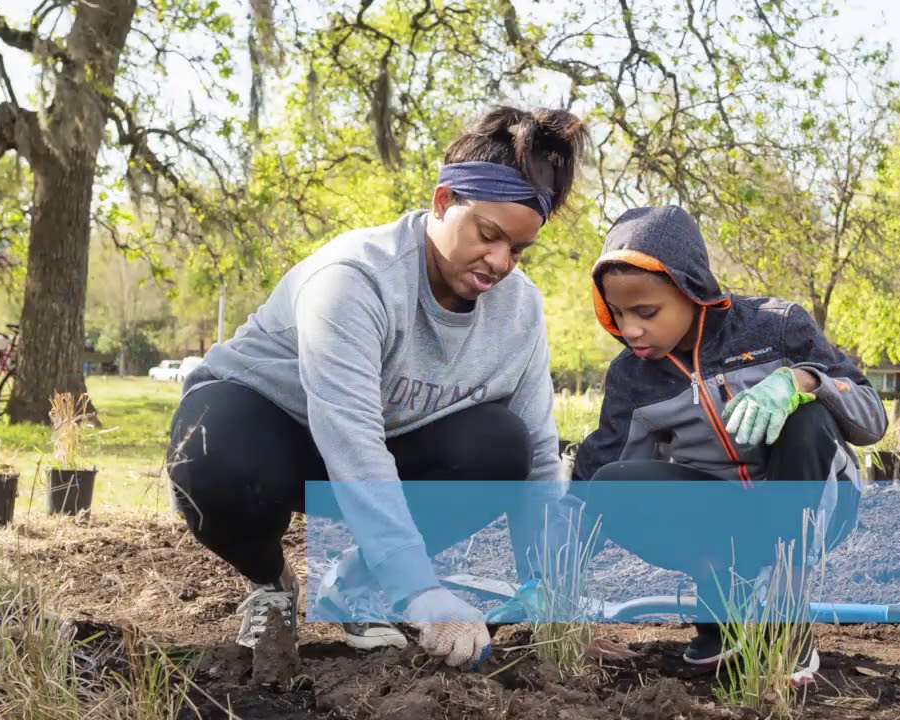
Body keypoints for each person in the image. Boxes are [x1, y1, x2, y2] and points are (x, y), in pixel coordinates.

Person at [166, 105, 589, 669]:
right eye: (489, 235)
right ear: (443, 202)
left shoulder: (519, 310)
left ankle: (357, 584)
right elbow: (352, 437)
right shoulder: (355, 280)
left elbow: (539, 451)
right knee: (211, 452)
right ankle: (272, 583)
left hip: (388, 446)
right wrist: (421, 591)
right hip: (271, 434)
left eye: (518, 249)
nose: (500, 262)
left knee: (501, 442)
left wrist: (549, 583)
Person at [567, 205, 888, 683]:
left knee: (809, 420)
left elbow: (872, 418)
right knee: (611, 484)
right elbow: (594, 485)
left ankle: (787, 614)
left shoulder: (776, 326)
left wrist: (800, 380)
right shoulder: (633, 377)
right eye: (617, 313)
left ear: (692, 290)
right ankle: (723, 598)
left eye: (646, 312)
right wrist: (557, 594)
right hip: (721, 518)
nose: (629, 328)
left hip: (813, 500)